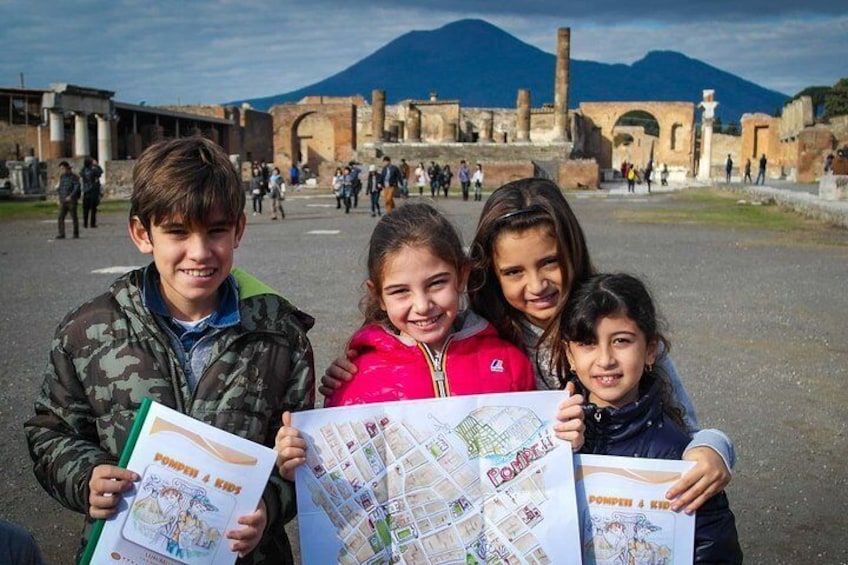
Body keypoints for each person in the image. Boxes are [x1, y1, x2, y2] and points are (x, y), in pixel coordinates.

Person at [324, 178, 735, 514]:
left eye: (549, 262)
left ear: (573, 251)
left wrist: (715, 450)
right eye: (514, 271)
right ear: (490, 274)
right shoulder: (486, 339)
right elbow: (423, 353)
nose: (536, 286)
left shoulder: (619, 324)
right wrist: (362, 368)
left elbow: (689, 428)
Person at [24, 137, 316, 564]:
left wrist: (269, 505)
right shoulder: (88, 332)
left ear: (238, 228)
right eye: (177, 232)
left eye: (216, 231)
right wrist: (84, 476)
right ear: (143, 233)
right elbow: (51, 432)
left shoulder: (280, 335)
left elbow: (298, 453)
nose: (199, 252)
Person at [276, 202, 585, 477]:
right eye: (400, 291)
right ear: (378, 295)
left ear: (462, 275)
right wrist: (302, 463)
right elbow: (341, 475)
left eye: (437, 284)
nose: (422, 305)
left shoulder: (509, 362)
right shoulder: (354, 378)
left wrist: (560, 440)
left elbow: (533, 462)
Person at [554, 272, 742, 563]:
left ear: (651, 350)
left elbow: (715, 549)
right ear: (569, 354)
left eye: (621, 341)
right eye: (588, 343)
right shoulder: (554, 438)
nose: (605, 359)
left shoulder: (681, 455)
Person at [55, 160, 81, 239]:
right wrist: (59, 198)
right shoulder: (62, 177)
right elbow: (60, 188)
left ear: (67, 168)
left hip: (71, 200)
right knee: (60, 217)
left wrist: (71, 196)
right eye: (61, 169)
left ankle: (75, 233)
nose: (61, 170)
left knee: (74, 217)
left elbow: (77, 187)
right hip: (63, 199)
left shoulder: (74, 177)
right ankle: (61, 233)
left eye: (63, 168)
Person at [80, 157, 103, 229]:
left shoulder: (83, 171)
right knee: (93, 209)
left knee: (85, 210)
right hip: (92, 191)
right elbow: (100, 172)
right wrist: (97, 165)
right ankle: (92, 223)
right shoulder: (93, 171)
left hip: (86, 191)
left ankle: (85, 223)